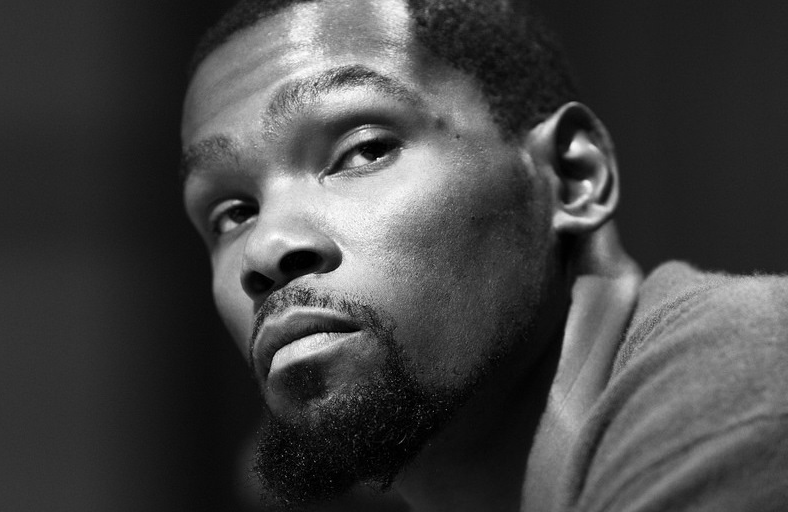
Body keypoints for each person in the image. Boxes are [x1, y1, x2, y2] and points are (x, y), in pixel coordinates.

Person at [179, 0, 788, 510]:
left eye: (364, 152)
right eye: (233, 213)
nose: (264, 249)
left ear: (572, 176)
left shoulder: (741, 377)